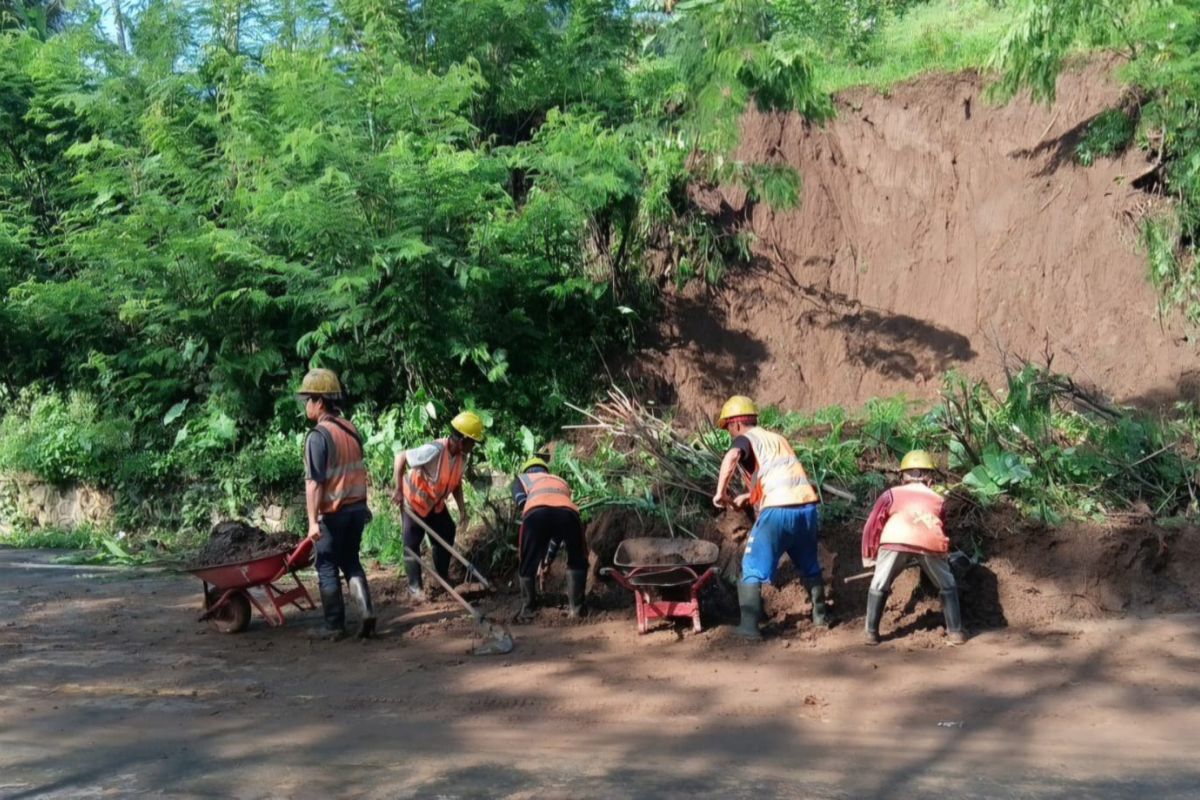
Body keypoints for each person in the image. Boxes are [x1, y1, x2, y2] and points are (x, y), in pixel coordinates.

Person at [711, 395, 827, 639]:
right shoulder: (776, 439)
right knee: (809, 564)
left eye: (729, 429)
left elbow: (732, 457)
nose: (730, 434)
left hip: (778, 510)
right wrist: (748, 496)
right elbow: (776, 474)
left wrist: (720, 492)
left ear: (736, 424)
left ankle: (749, 627)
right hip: (806, 508)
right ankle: (821, 617)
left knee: (751, 566)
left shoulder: (745, 439)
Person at [861, 450, 966, 646]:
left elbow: (873, 525)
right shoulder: (938, 499)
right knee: (947, 584)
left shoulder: (890, 494)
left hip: (895, 538)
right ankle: (955, 632)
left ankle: (871, 633)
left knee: (879, 583)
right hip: (929, 540)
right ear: (929, 477)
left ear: (903, 476)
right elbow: (940, 526)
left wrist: (870, 554)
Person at [299, 368, 375, 640]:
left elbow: (315, 483)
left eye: (307, 399)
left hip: (334, 513)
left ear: (320, 402)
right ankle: (366, 612)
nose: (305, 405)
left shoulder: (318, 436)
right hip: (357, 510)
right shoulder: (350, 429)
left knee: (327, 564)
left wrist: (312, 522)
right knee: (351, 560)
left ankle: (334, 625)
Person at [391, 411, 483, 599]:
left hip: (434, 506)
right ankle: (415, 588)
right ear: (461, 439)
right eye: (472, 442)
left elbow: (456, 484)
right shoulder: (434, 450)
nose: (473, 446)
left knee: (447, 530)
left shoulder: (460, 458)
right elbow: (400, 457)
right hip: (414, 503)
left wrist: (463, 510)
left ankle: (442, 576)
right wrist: (398, 489)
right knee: (411, 542)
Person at [511, 457, 588, 621]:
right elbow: (557, 532)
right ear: (546, 471)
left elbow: (523, 504)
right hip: (568, 513)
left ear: (527, 470)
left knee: (526, 561)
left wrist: (538, 555)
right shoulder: (559, 480)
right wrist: (547, 560)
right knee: (578, 557)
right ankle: (577, 609)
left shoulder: (521, 479)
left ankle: (528, 609)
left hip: (535, 513)